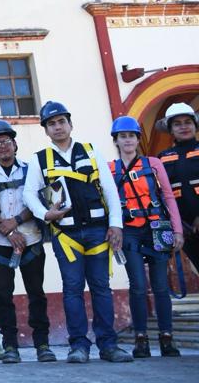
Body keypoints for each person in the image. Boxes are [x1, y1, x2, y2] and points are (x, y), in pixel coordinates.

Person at [23, 100, 133, 363]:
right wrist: (45, 214)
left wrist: (115, 224)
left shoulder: (91, 151)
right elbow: (29, 194)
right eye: (52, 123)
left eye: (62, 121)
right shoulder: (40, 159)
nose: (58, 127)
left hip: (98, 232)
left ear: (70, 124)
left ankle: (108, 345)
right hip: (66, 236)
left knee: (101, 288)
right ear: (46, 130)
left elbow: (109, 190)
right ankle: (78, 346)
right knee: (72, 290)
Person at [0, 119, 54, 364]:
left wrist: (17, 221)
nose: (3, 146)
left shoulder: (31, 171)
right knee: (2, 296)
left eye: (7, 141)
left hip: (31, 241)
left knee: (36, 293)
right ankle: (10, 346)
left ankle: (42, 344)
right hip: (0, 244)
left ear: (15, 144)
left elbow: (40, 201)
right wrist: (8, 231)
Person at [109, 115, 183, 358]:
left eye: (131, 136)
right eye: (123, 136)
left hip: (157, 228)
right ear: (116, 140)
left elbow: (168, 196)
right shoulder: (110, 169)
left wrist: (177, 230)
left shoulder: (153, 164)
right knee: (138, 286)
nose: (127, 140)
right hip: (129, 231)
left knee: (161, 286)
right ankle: (141, 338)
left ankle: (166, 337)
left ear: (138, 139)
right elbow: (107, 202)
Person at [157, 103, 199, 275]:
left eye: (187, 122)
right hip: (184, 228)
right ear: (171, 130)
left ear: (195, 125)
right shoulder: (162, 158)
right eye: (177, 124)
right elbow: (160, 193)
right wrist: (176, 224)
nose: (183, 127)